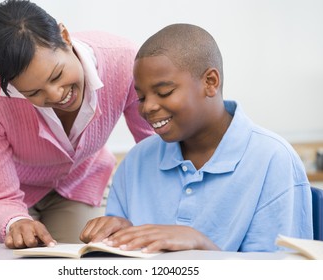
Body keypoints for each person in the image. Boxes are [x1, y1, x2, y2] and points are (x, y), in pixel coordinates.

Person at [80, 23, 314, 252]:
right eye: (141, 97)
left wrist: (200, 244)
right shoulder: (136, 161)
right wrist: (115, 236)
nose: (148, 107)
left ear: (210, 82)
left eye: (164, 92)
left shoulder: (273, 159)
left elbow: (282, 271)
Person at [0, 0, 153, 249]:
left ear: (65, 37)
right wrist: (14, 221)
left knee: (86, 260)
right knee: (13, 268)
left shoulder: (124, 60)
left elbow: (155, 147)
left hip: (79, 179)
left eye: (56, 75)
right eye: (33, 92)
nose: (56, 95)